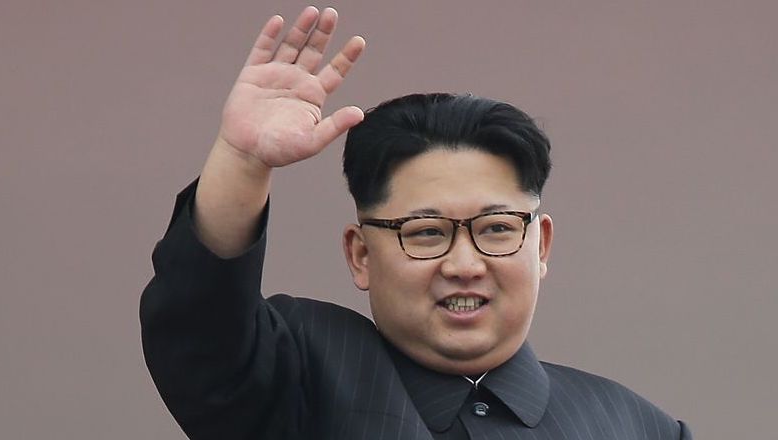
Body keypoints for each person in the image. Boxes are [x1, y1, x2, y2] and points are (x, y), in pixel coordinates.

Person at [140, 6, 691, 439]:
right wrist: (242, 160)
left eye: (497, 228)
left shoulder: (639, 427)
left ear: (540, 244)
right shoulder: (298, 374)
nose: (464, 264)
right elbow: (201, 325)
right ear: (360, 254)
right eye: (426, 232)